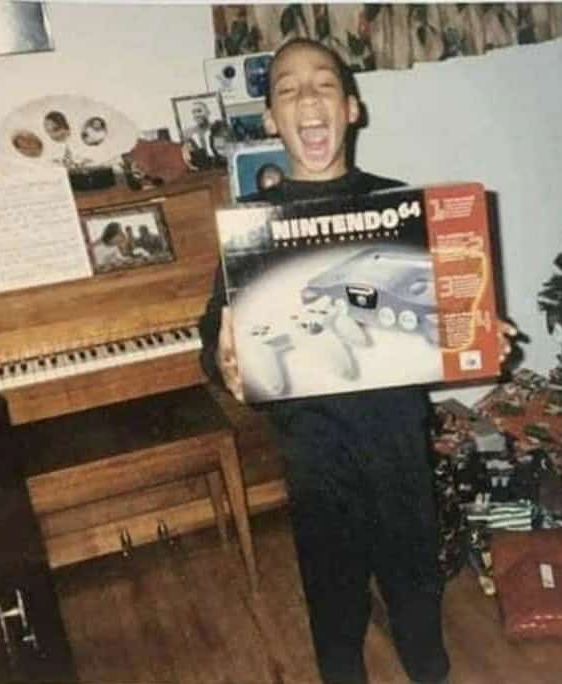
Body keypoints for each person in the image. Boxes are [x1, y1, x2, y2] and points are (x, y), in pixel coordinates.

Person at [199, 38, 512, 684]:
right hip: (314, 461)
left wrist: (481, 329)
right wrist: (223, 362)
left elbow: (444, 316)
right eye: (287, 89)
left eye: (322, 86)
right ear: (269, 121)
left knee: (419, 614)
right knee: (336, 625)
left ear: (352, 108)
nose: (306, 99)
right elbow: (215, 338)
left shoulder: (401, 206)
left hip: (398, 448)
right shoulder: (253, 229)